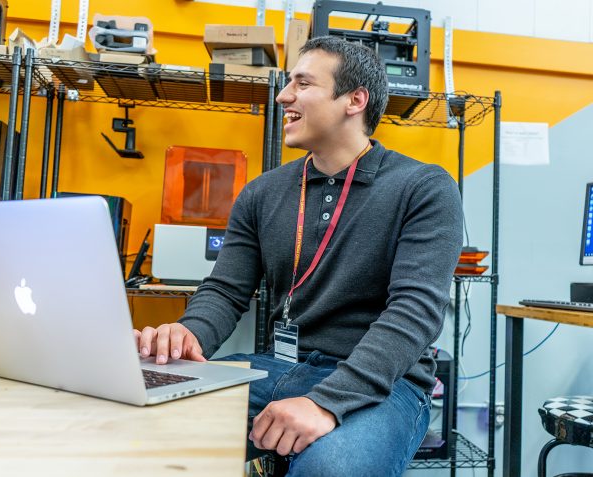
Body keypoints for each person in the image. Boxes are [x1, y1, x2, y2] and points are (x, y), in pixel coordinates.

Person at [135, 35, 463, 476]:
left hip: (383, 383)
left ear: (354, 100)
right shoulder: (262, 192)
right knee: (135, 419)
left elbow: (414, 312)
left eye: (302, 83)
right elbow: (225, 290)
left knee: (331, 468)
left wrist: (325, 402)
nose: (284, 95)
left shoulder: (424, 187)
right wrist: (187, 336)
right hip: (276, 366)